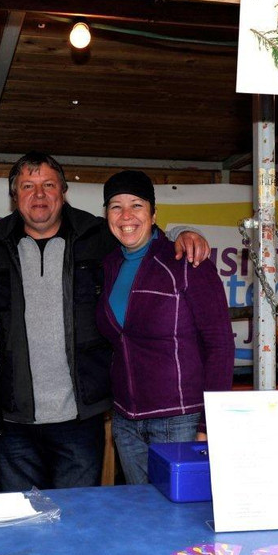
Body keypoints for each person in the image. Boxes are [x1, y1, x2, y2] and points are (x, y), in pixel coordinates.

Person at [0, 152, 210, 491]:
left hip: (81, 419)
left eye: (48, 185)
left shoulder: (98, 236)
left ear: (63, 191)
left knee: (80, 515)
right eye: (28, 186)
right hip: (12, 419)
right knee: (21, 516)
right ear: (14, 195)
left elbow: (145, 235)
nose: (39, 195)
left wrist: (185, 232)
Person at [95, 170, 234, 484]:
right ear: (107, 216)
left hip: (181, 421)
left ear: (154, 213)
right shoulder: (109, 264)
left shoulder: (186, 261)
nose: (126, 215)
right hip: (126, 422)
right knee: (142, 511)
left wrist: (208, 426)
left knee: (183, 511)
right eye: (116, 206)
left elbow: (220, 346)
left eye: (137, 205)